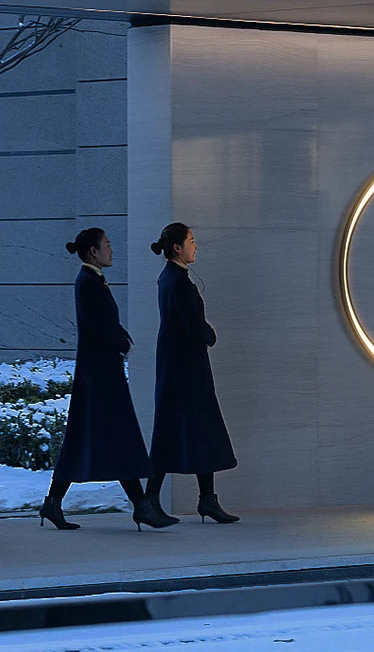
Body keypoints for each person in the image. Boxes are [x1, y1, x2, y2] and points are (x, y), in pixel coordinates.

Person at [40, 228, 173, 531]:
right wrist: (122, 342)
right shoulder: (87, 282)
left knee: (102, 437)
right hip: (98, 375)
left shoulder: (92, 280)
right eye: (107, 246)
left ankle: (56, 503)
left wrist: (121, 339)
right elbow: (97, 325)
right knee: (112, 436)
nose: (112, 251)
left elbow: (103, 322)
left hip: (102, 373)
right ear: (92, 251)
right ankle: (141, 506)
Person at [146, 222, 239, 523]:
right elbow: (195, 327)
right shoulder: (180, 283)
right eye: (191, 240)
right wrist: (211, 335)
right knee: (194, 428)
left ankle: (201, 499)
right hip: (187, 370)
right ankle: (194, 500)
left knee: (182, 430)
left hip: (177, 367)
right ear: (177, 247)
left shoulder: (168, 278)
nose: (195, 246)